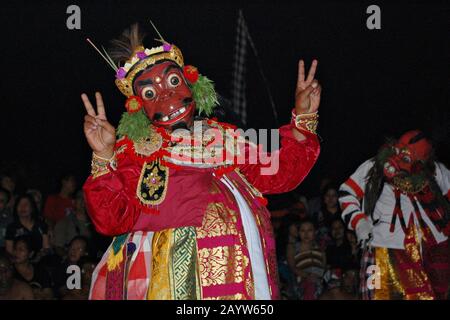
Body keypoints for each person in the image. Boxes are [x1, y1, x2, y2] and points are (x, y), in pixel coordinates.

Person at [81, 23, 322, 300]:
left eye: (173, 81)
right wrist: (103, 156)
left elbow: (280, 169)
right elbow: (111, 219)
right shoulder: (135, 151)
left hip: (248, 276)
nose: (167, 96)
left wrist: (303, 119)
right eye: (149, 93)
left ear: (190, 83)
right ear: (138, 107)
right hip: (180, 283)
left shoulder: (226, 135)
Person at [339, 130, 450, 300]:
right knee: (377, 294)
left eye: (406, 158)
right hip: (383, 245)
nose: (398, 159)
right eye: (398, 151)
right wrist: (359, 222)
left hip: (431, 250)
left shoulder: (435, 171)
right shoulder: (375, 166)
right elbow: (347, 192)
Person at [287, 219, 326, 300]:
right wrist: (307, 275)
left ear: (315, 232)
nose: (306, 234)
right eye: (302, 230)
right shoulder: (293, 247)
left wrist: (318, 278)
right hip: (302, 281)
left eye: (310, 230)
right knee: (310, 286)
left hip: (319, 281)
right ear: (298, 233)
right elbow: (292, 267)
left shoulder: (321, 248)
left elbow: (323, 267)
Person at [53, 191, 93, 257]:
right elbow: (58, 248)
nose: (84, 201)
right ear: (74, 202)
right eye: (80, 198)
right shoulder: (64, 223)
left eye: (87, 198)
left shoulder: (97, 225)